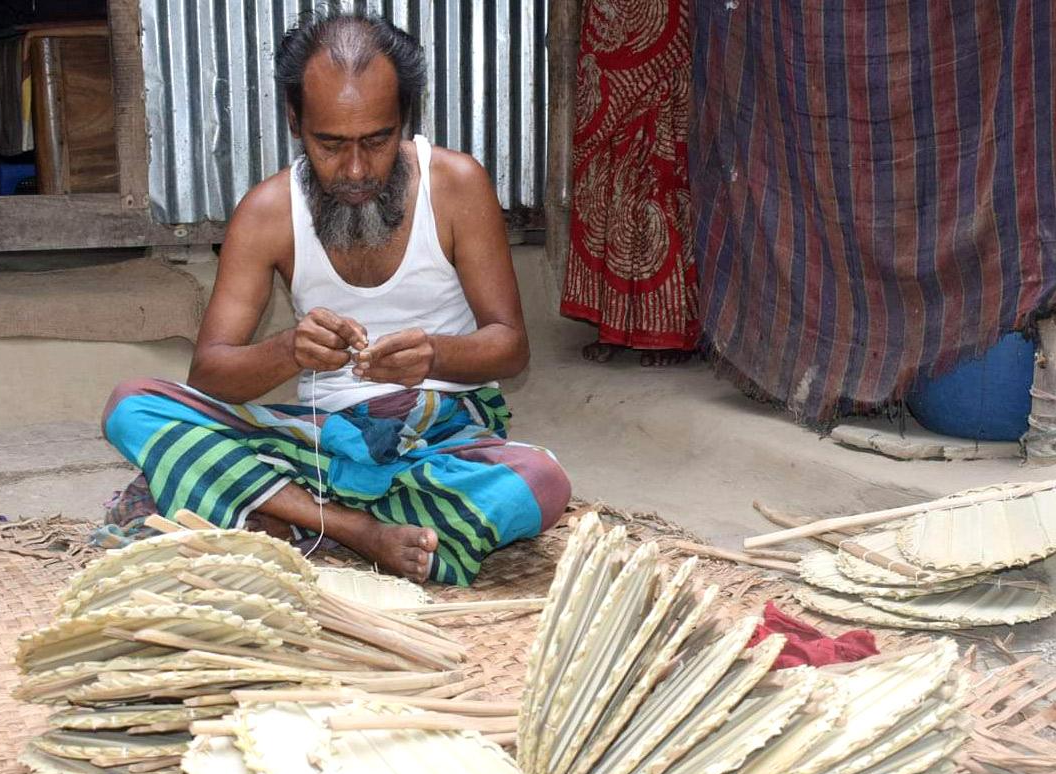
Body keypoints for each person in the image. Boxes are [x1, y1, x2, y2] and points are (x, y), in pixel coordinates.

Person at [102, 13, 571, 586]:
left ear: (405, 120)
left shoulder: (456, 185)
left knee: (540, 481)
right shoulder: (267, 213)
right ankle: (359, 532)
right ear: (295, 121)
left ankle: (278, 513)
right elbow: (211, 374)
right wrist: (288, 351)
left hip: (441, 440)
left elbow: (510, 347)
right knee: (132, 405)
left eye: (376, 140)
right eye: (330, 144)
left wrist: (436, 356)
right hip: (319, 439)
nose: (354, 169)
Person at [560, 0, 698, 367]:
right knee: (600, 168)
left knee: (661, 163)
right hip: (609, 23)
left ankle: (668, 326)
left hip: (666, 22)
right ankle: (612, 323)